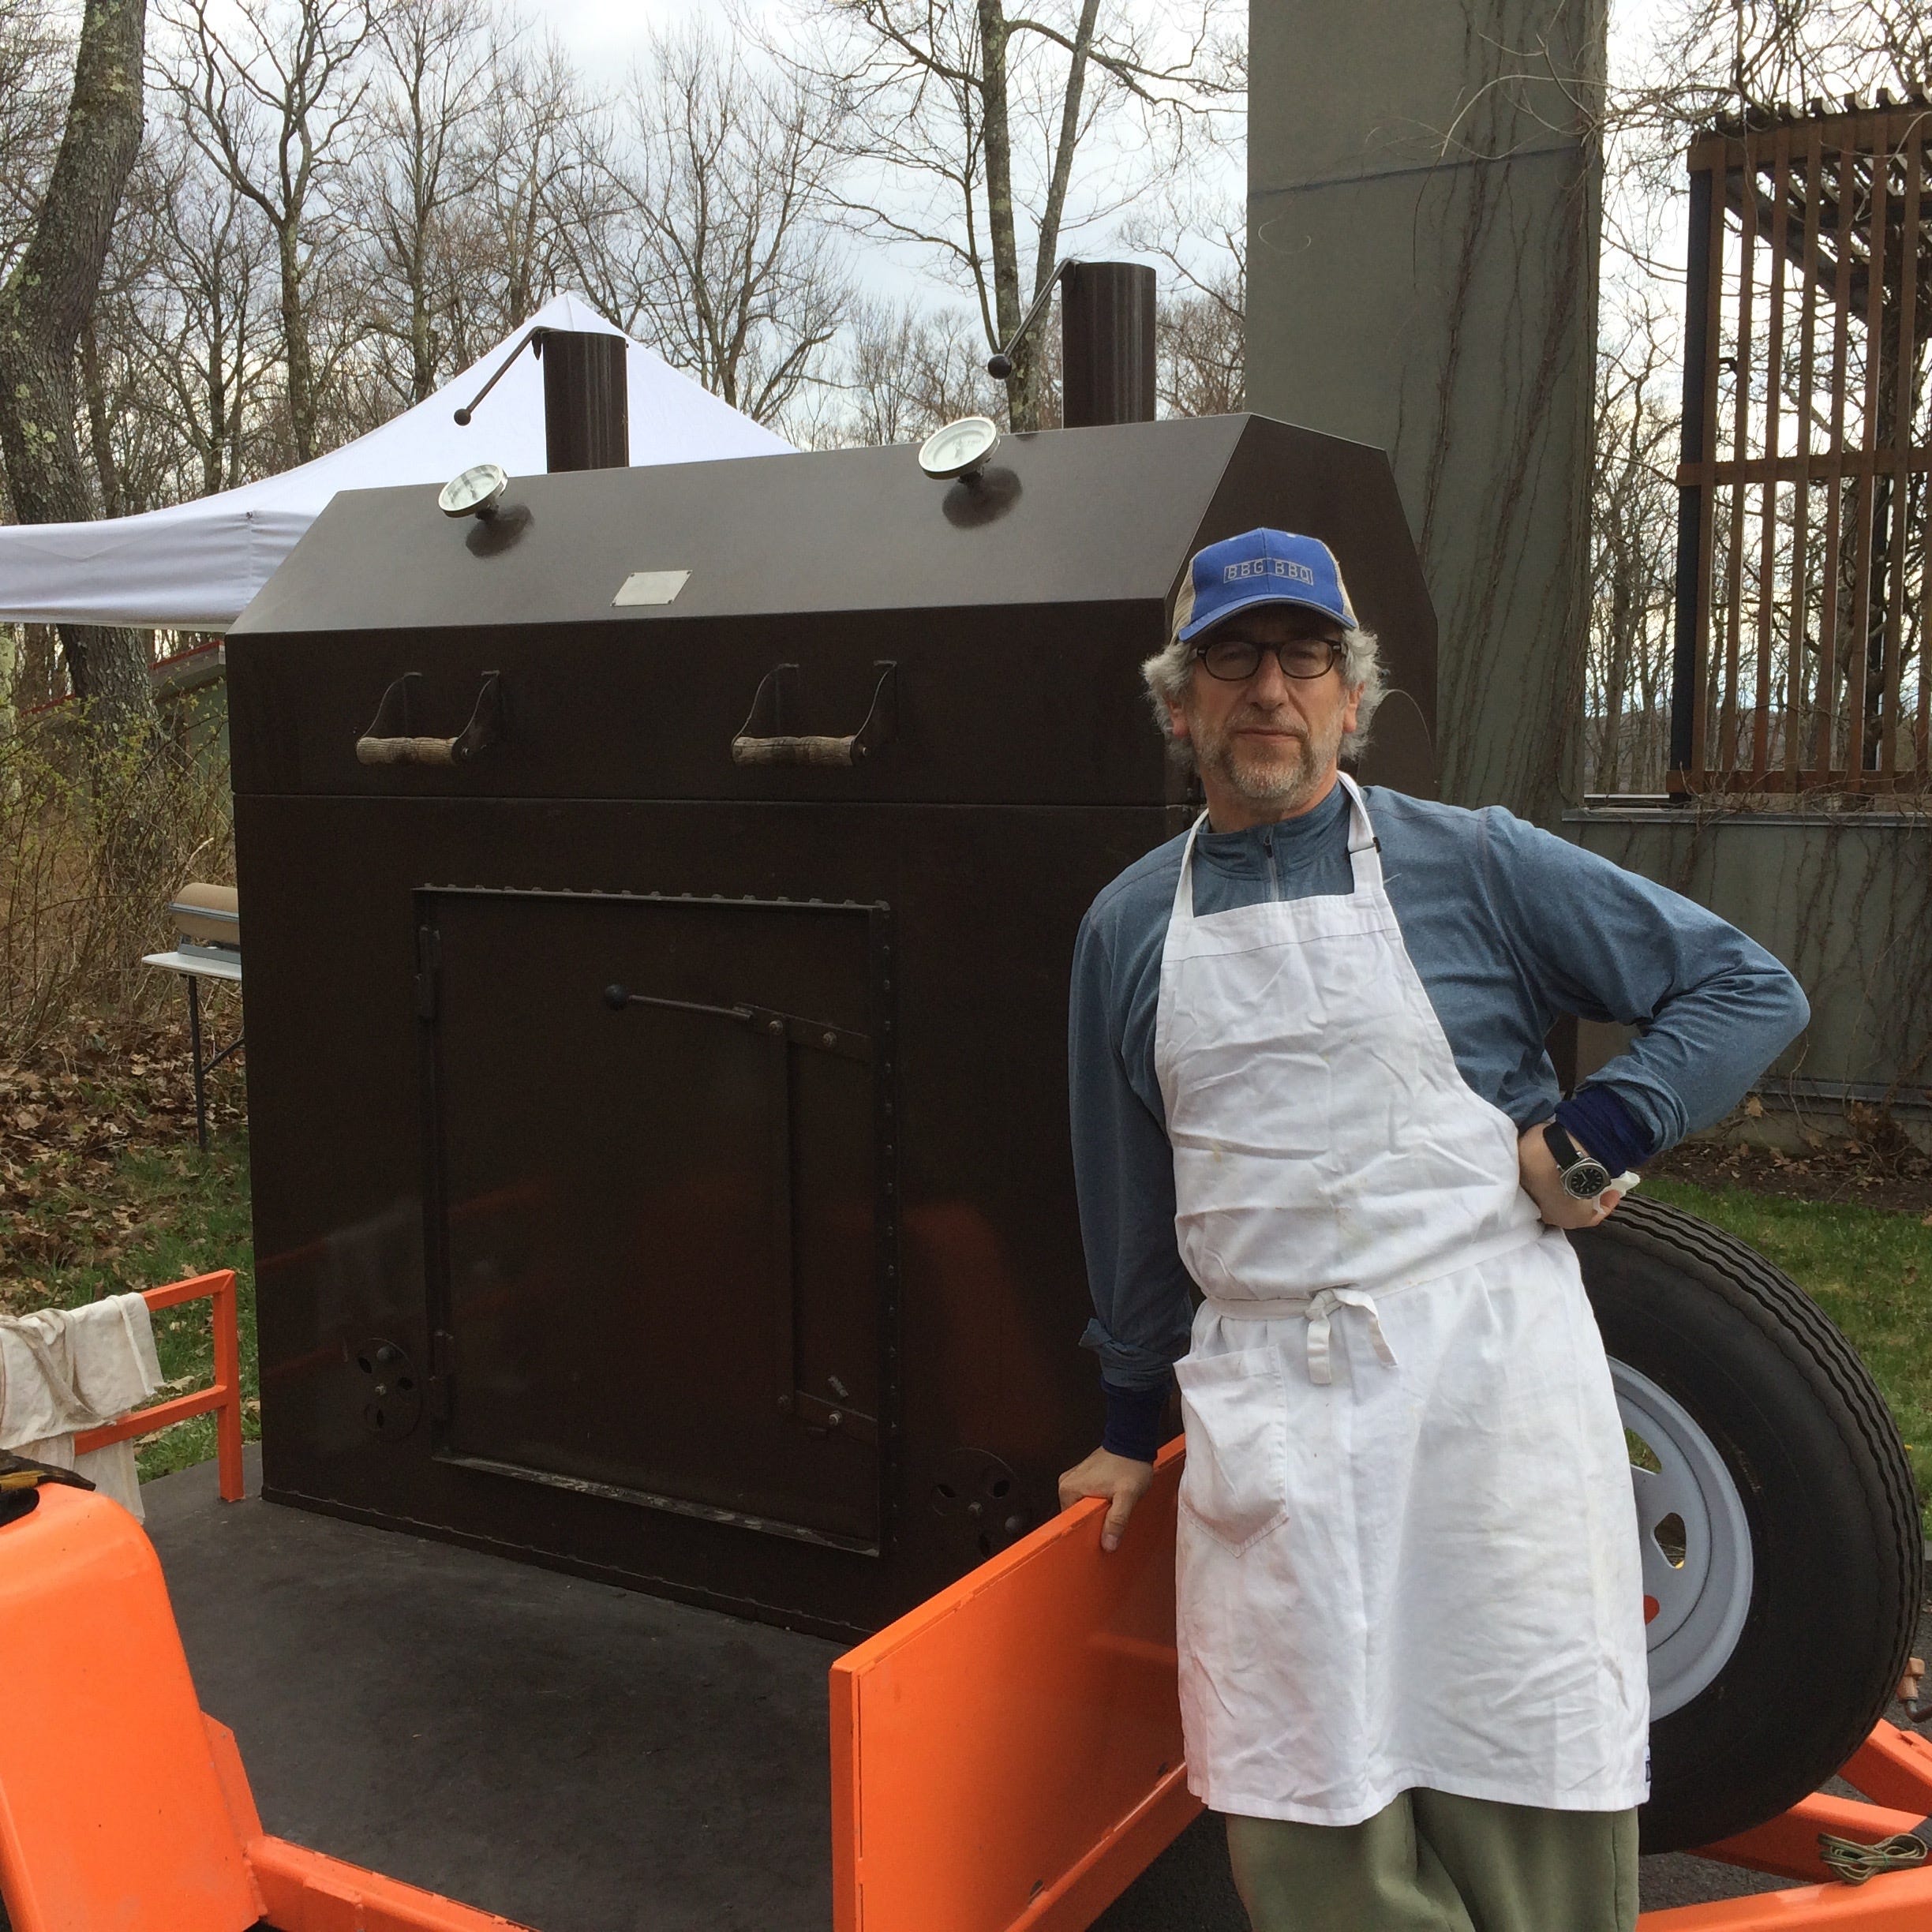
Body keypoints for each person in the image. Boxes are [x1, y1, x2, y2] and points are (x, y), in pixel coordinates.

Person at [1057, 529, 1810, 1932]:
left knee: (1523, 1794)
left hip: (1487, 1399)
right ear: (1179, 707)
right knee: (1306, 1821)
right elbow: (1132, 1203)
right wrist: (1120, 1420)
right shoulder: (1128, 928)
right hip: (1272, 1414)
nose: (1268, 689)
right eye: (1231, 659)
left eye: (1305, 658)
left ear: (1352, 698)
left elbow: (1744, 988)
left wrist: (1596, 1134)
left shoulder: (1474, 864)